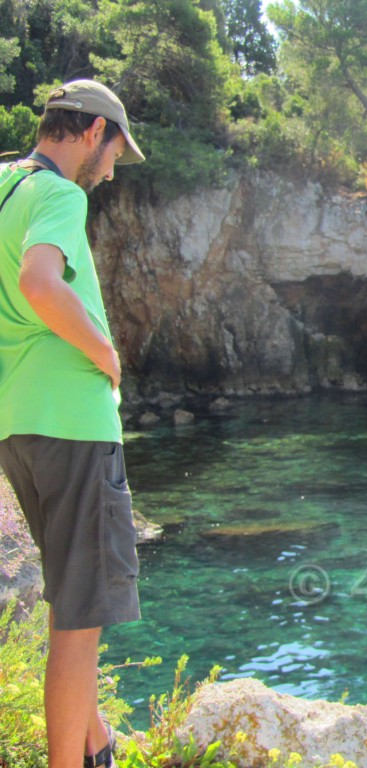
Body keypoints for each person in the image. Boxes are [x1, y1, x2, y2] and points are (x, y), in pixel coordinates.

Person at [0, 80, 145, 768]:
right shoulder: (59, 194)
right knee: (78, 623)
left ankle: (98, 748)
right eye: (114, 150)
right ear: (92, 131)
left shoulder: (3, 186)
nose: (112, 169)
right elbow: (39, 283)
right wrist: (106, 352)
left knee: (68, 593)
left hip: (17, 425)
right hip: (73, 426)